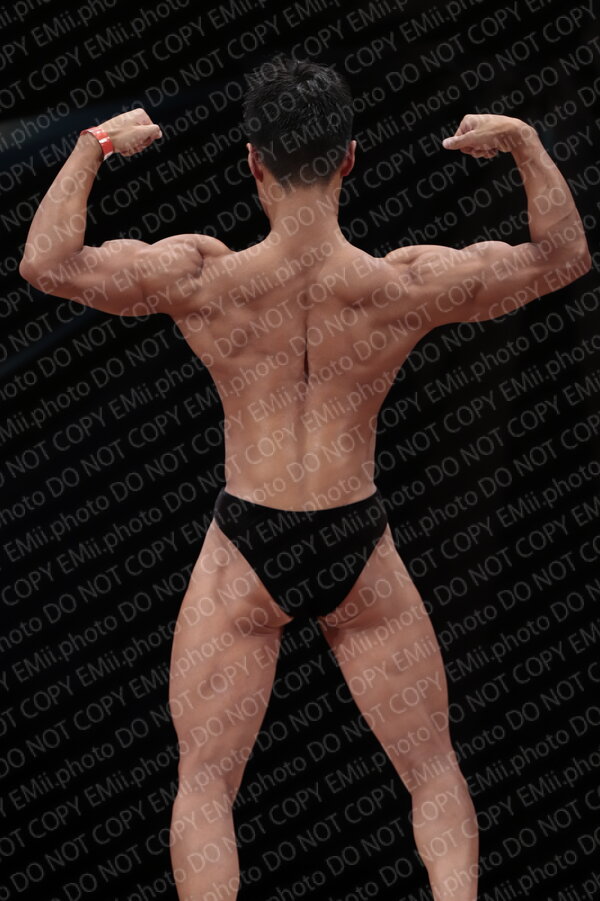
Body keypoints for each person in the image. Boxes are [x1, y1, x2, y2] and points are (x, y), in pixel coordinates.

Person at [20, 54, 590, 901]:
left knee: (206, 786)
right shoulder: (402, 283)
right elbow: (562, 256)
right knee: (433, 770)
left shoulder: (205, 278)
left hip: (246, 545)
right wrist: (527, 144)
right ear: (350, 157)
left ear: (253, 161)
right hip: (355, 537)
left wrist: (93, 146)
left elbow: (48, 262)